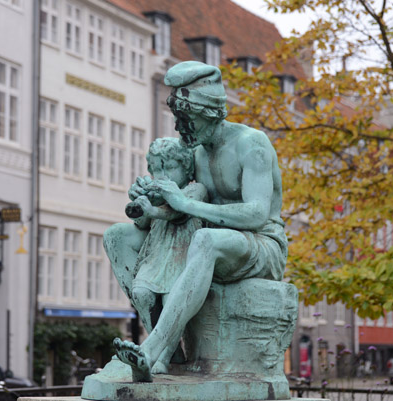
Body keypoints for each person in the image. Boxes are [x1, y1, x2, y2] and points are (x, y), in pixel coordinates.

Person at [104, 61, 288, 382]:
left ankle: (152, 349)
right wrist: (149, 198)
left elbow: (257, 214)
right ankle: (168, 357)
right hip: (206, 243)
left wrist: (184, 202)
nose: (177, 127)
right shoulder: (197, 152)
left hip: (260, 246)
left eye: (184, 118)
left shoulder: (252, 144)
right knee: (117, 237)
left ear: (208, 113)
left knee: (205, 240)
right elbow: (177, 209)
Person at [126, 137, 207, 374]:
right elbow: (141, 223)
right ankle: (167, 350)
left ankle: (163, 358)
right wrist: (140, 202)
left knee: (172, 300)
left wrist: (154, 208)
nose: (163, 175)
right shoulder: (157, 193)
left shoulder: (195, 189)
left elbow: (178, 213)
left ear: (186, 168)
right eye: (157, 169)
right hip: (157, 255)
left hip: (182, 255)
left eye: (170, 168)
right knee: (141, 293)